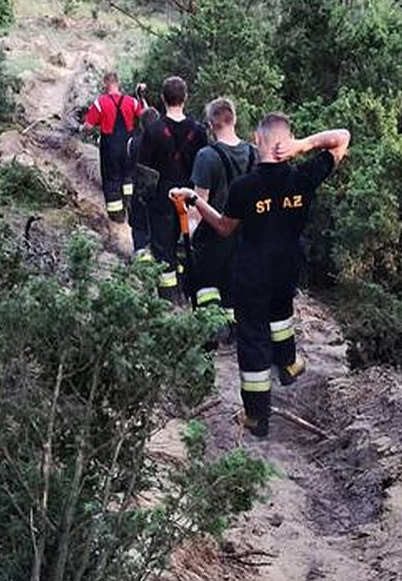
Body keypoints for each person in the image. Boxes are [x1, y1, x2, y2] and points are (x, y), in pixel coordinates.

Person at [169, 114, 350, 438]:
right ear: (288, 140)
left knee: (252, 339)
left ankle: (257, 416)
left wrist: (195, 200)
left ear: (256, 140)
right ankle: (289, 364)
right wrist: (304, 146)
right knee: (281, 316)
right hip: (287, 268)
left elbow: (224, 227)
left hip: (252, 273)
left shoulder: (245, 188)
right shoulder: (303, 177)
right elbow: (342, 137)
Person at [138, 76, 207, 299]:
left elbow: (144, 170)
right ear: (185, 98)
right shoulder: (199, 131)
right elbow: (204, 167)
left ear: (162, 98)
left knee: (162, 249)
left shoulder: (153, 130)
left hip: (161, 197)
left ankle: (167, 300)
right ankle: (189, 295)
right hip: (190, 197)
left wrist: (146, 199)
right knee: (187, 247)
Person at [190, 98, 255, 319]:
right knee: (234, 293)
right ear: (234, 119)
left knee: (207, 291)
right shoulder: (255, 154)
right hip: (246, 240)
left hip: (213, 238)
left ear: (210, 125)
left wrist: (189, 237)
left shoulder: (206, 157)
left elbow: (199, 203)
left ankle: (212, 336)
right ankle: (234, 332)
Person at [84, 72, 147, 222]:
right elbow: (145, 115)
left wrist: (83, 127)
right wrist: (141, 97)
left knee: (112, 178)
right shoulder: (131, 102)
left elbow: (88, 125)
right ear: (118, 83)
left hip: (110, 147)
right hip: (128, 146)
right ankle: (131, 206)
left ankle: (117, 216)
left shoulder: (100, 103)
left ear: (106, 83)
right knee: (129, 175)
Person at [127, 107, 160, 260]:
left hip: (139, 190)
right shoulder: (164, 141)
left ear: (141, 125)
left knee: (139, 226)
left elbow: (129, 164)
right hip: (159, 191)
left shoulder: (133, 142)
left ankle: (141, 257)